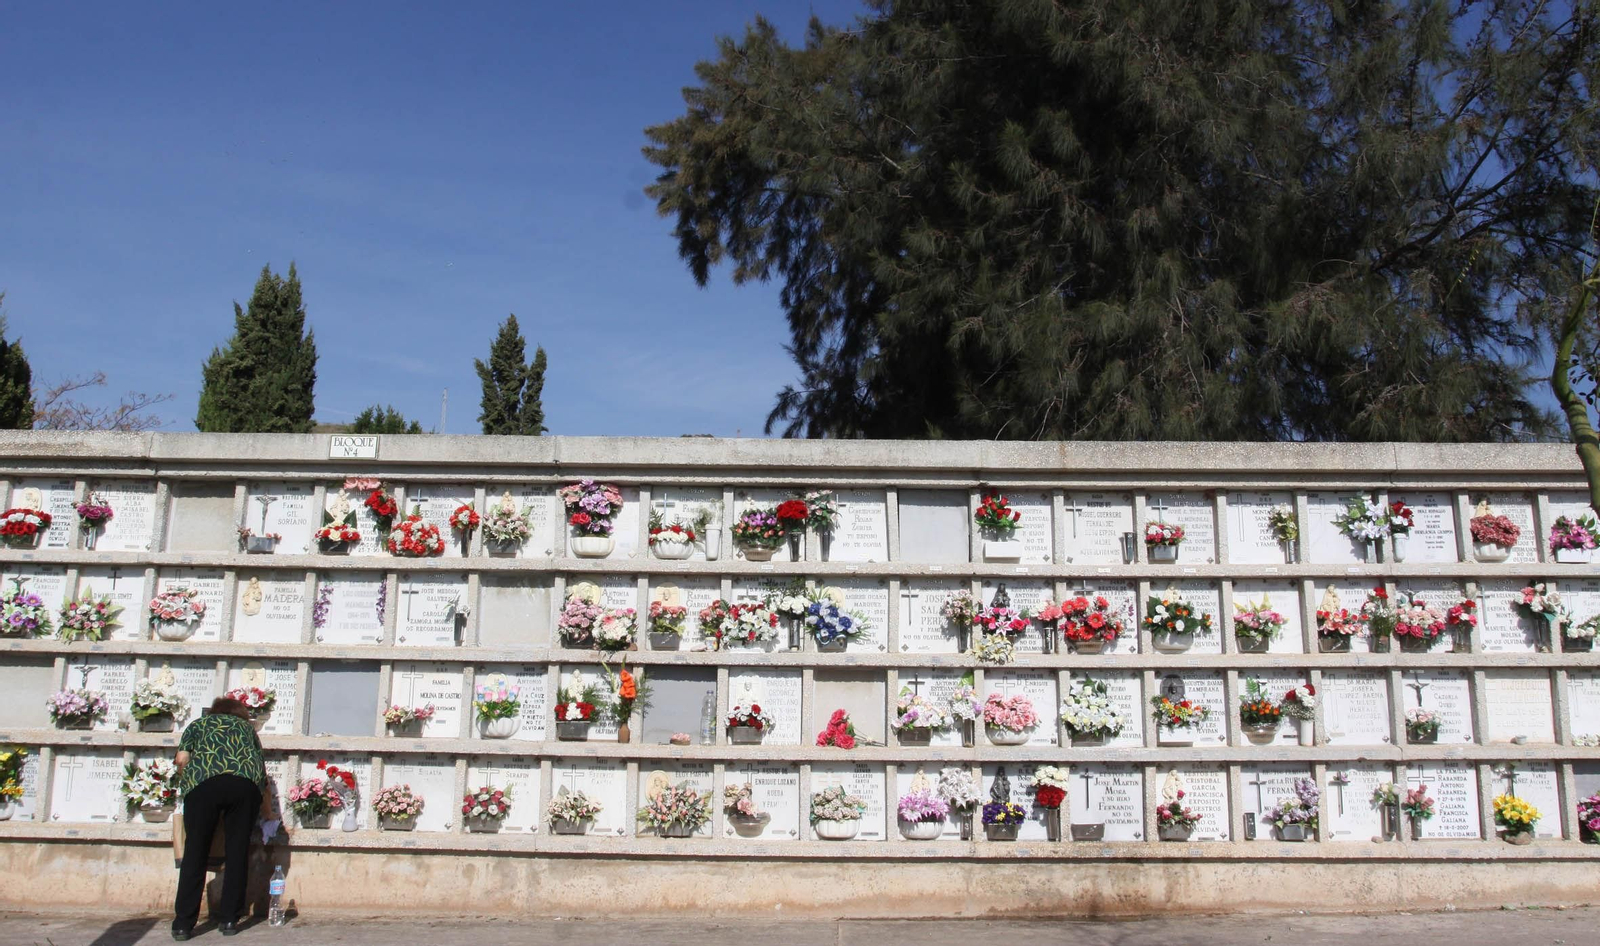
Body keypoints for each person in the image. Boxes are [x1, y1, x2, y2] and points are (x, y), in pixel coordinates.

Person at [171, 696, 273, 940]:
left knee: (195, 850)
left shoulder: (197, 725)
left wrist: (186, 782)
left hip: (204, 783)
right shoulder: (247, 729)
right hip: (243, 785)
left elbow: (182, 760)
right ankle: (229, 919)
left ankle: (183, 924)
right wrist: (267, 808)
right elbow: (260, 766)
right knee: (237, 851)